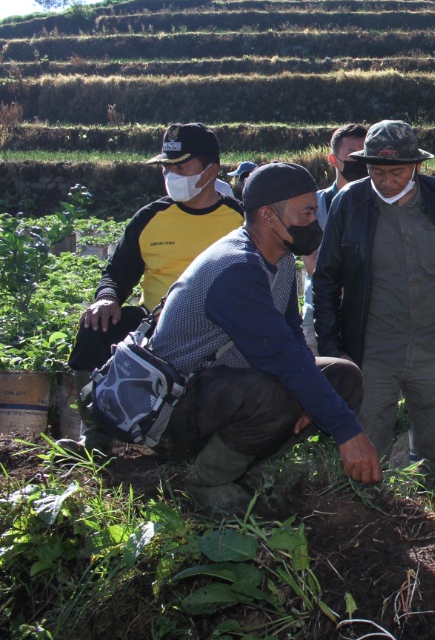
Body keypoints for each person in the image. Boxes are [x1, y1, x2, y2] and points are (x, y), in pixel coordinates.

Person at [140, 162, 380, 513]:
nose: (314, 223)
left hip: (219, 392)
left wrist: (314, 401)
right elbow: (283, 358)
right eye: (307, 213)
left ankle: (242, 464)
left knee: (341, 376)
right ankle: (208, 480)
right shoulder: (236, 269)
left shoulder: (278, 257)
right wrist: (347, 431)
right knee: (278, 388)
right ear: (268, 216)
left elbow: (292, 336)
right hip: (172, 411)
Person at [312, 120, 435, 474]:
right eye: (378, 171)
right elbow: (326, 280)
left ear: (417, 166)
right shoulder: (350, 202)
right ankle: (369, 522)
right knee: (364, 452)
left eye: (398, 172)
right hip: (371, 354)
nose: (388, 181)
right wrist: (334, 349)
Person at [62, 122, 243, 457]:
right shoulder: (150, 218)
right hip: (153, 327)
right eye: (166, 166)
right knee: (94, 325)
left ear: (211, 170)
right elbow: (116, 273)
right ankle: (96, 437)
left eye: (181, 166)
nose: (171, 173)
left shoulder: (240, 221)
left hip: (214, 331)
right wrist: (107, 298)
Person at [300, 124, 367, 353]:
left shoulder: (380, 207)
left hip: (368, 320)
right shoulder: (314, 206)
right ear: (333, 159)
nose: (359, 160)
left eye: (364, 153)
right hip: (318, 317)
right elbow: (312, 263)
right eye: (351, 154)